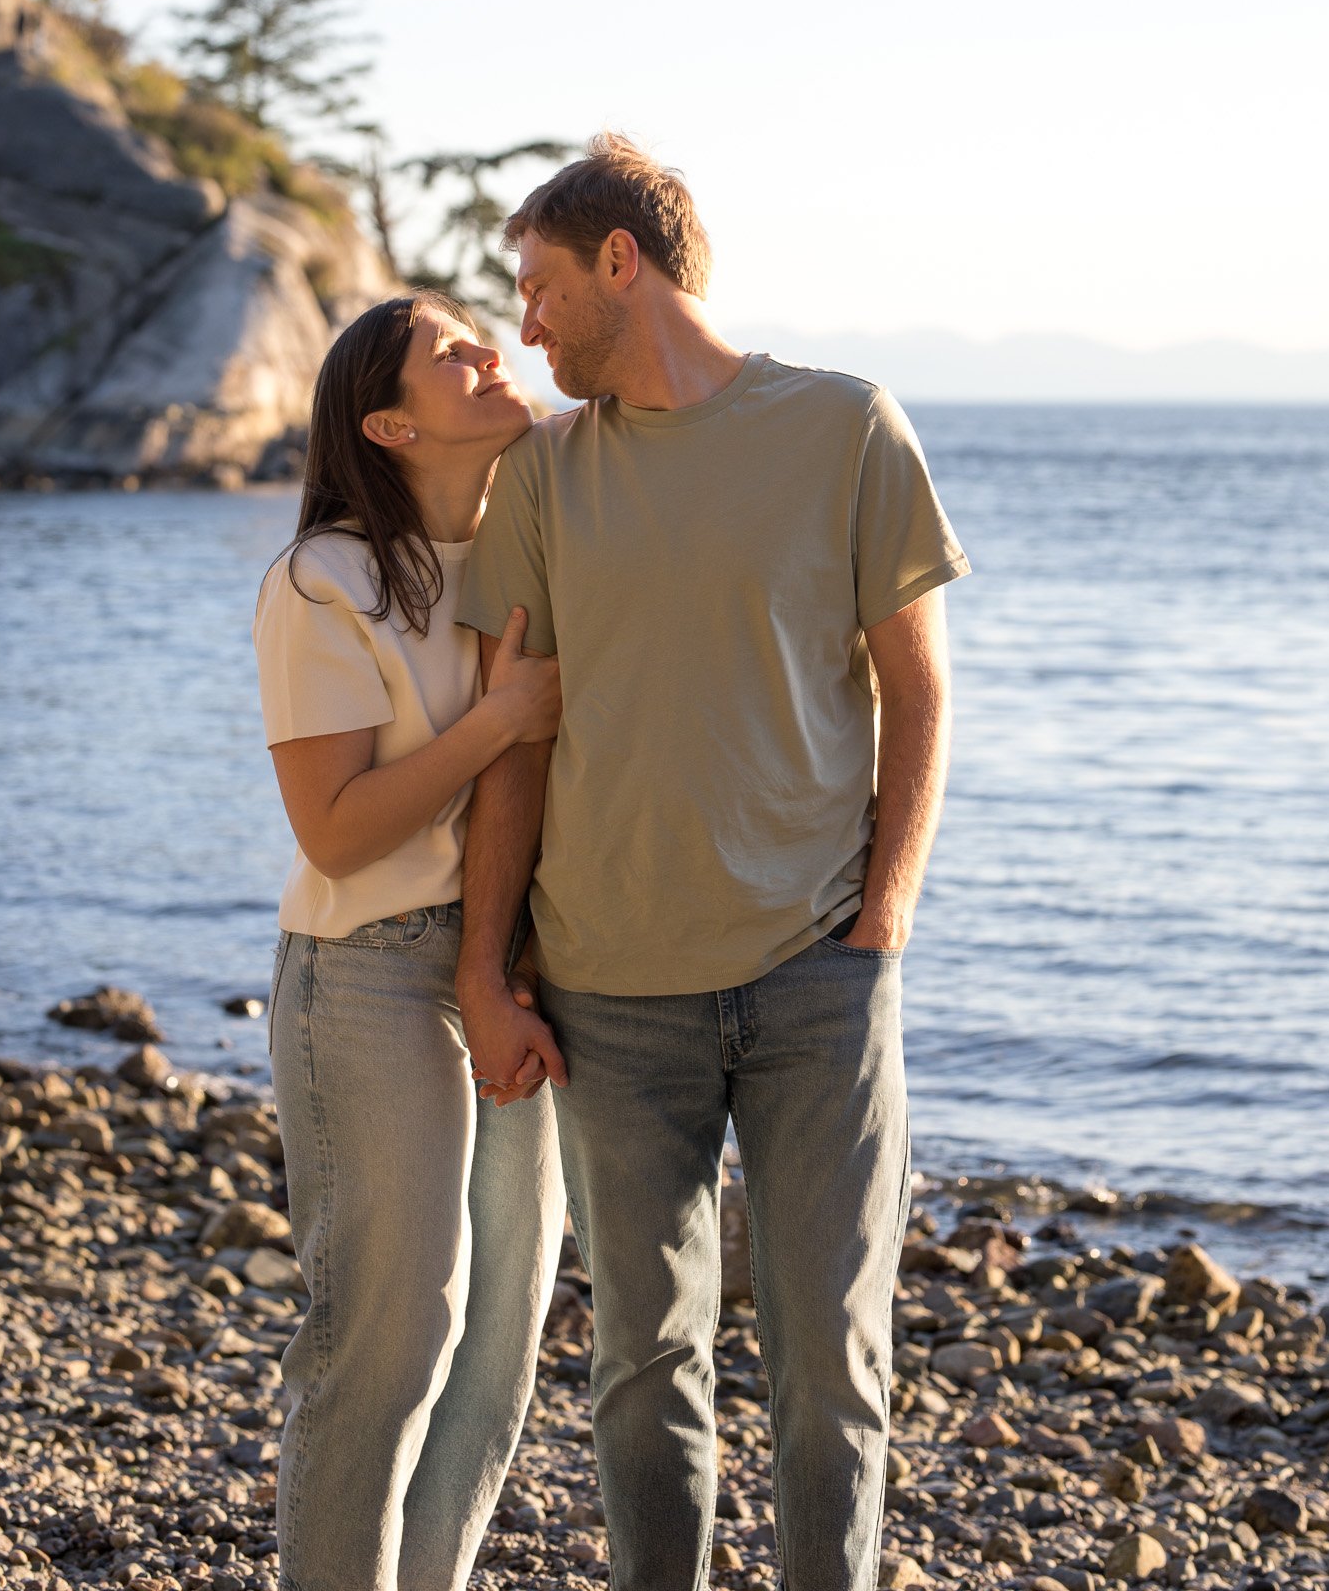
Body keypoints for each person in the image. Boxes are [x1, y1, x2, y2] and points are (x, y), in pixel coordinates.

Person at [455, 135, 971, 1591]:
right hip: (609, 993)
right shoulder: (548, 474)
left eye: (540, 287)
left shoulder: (845, 429)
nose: (527, 325)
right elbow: (515, 743)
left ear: (623, 259)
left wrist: (882, 919)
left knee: (833, 1366)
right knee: (641, 1365)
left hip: (816, 981)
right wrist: (486, 973)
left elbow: (916, 689)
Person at [252, 291, 566, 1591]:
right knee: (390, 1337)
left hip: (515, 970)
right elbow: (335, 832)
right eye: (449, 350)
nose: (487, 348)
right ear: (386, 424)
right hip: (367, 978)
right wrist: (493, 726)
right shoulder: (323, 580)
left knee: (496, 1344)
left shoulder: (532, 555)